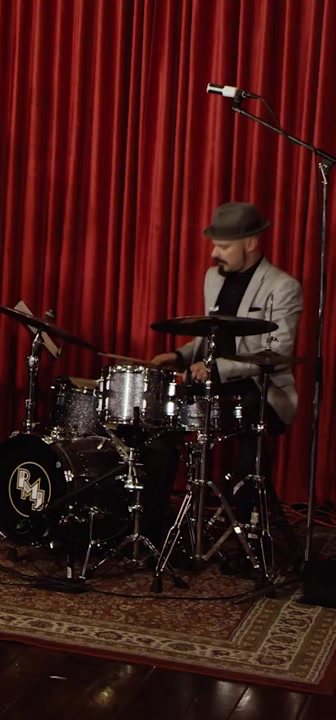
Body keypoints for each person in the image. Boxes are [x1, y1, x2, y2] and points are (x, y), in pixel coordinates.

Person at [143, 201, 302, 550]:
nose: (215, 253)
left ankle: (247, 536)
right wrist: (180, 355)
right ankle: (152, 531)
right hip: (212, 382)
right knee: (159, 417)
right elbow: (210, 334)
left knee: (250, 422)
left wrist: (216, 368)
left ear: (251, 243)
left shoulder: (283, 287)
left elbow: (276, 355)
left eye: (224, 246)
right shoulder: (213, 278)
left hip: (262, 387)